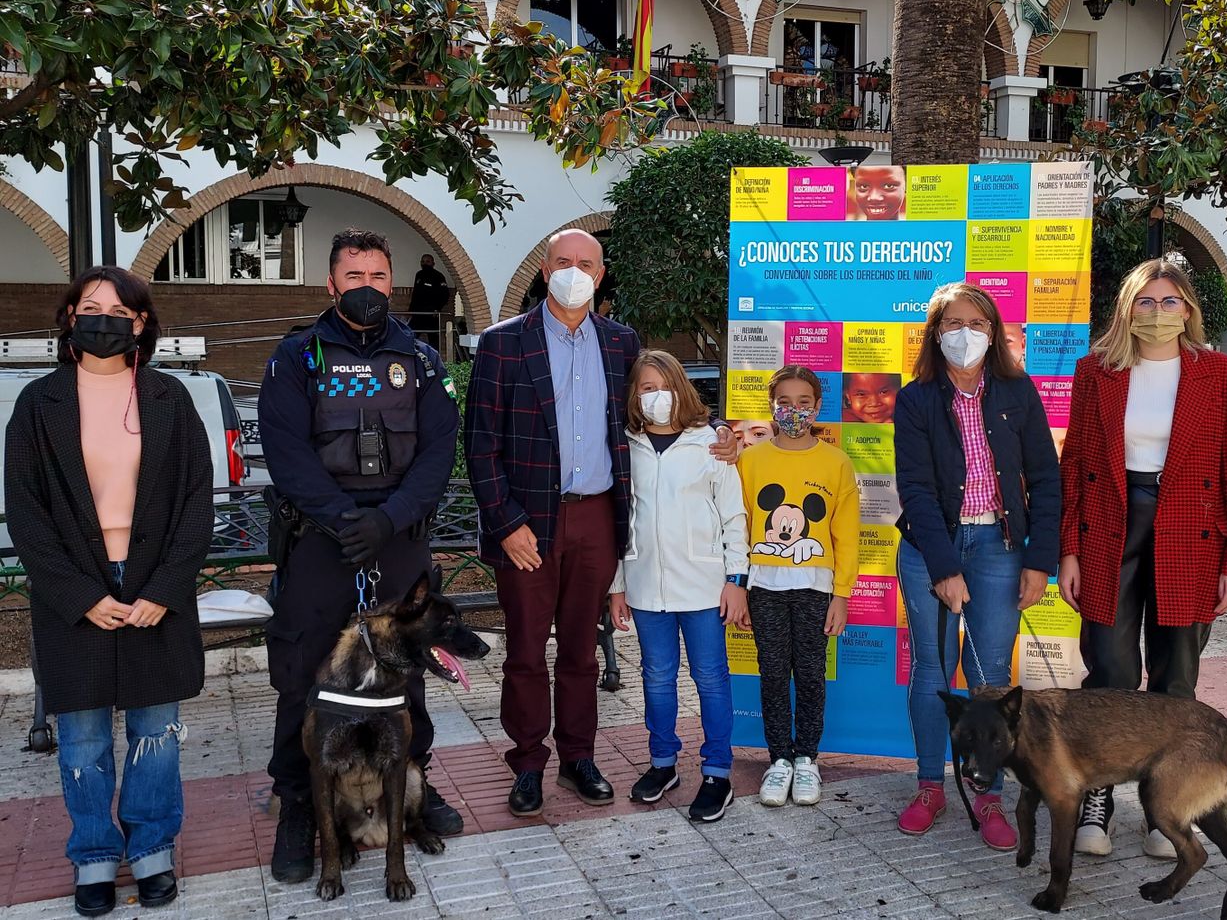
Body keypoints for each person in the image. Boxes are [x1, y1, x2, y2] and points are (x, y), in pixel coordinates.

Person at [466, 229, 738, 817]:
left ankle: (578, 757)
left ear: (600, 272)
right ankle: (529, 762)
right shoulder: (503, 344)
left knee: (584, 650)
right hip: (528, 523)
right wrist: (506, 521)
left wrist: (717, 433)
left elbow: (654, 415)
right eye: (562, 262)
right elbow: (481, 442)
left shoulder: (621, 344)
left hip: (598, 518)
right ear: (544, 271)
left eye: (585, 264)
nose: (573, 272)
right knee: (526, 649)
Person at [4, 267, 212, 917]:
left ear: (142, 324)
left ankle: (152, 852)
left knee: (157, 733)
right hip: (77, 591)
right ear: (68, 318)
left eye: (119, 310)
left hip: (153, 585)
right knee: (84, 739)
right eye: (89, 307)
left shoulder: (170, 399)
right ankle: (94, 855)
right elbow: (27, 513)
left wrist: (167, 588)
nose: (104, 319)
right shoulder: (39, 404)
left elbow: (195, 502)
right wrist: (78, 595)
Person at [258, 229, 462, 884]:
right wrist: (344, 518)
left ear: (391, 283)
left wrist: (388, 519)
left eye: (379, 276)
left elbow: (438, 452)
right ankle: (296, 801)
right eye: (355, 276)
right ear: (331, 284)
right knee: (304, 672)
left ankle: (414, 784)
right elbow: (285, 450)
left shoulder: (423, 360)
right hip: (322, 543)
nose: (368, 287)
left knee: (407, 669)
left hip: (396, 543)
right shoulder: (297, 358)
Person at [1057, 260, 1227, 860]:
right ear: (1126, 310)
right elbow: (1075, 466)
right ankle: (1096, 797)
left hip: (1191, 534)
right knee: (1110, 675)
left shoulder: (1220, 375)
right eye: (1144, 302)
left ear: (1190, 309)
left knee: (1176, 678)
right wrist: (1067, 548)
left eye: (1170, 302)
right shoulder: (1096, 371)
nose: (1157, 313)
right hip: (1109, 530)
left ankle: (1165, 807)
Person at [892, 282, 1062, 851]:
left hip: (999, 546)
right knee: (933, 671)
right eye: (951, 324)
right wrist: (942, 567)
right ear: (935, 333)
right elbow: (914, 489)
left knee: (989, 680)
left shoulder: (1018, 391)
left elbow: (1045, 478)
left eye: (977, 323)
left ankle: (986, 791)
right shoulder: (916, 399)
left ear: (993, 332)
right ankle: (927, 785)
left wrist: (1040, 560)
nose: (964, 335)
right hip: (928, 549)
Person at [607, 351, 749, 824]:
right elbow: (621, 523)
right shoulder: (626, 447)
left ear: (681, 389)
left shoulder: (710, 443)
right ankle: (662, 762)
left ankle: (717, 771)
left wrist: (735, 580)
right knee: (656, 677)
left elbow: (733, 515)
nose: (655, 396)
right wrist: (618, 585)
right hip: (647, 587)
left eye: (663, 385)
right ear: (634, 397)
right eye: (645, 388)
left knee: (710, 677)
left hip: (706, 589)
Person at [737, 366, 860, 809]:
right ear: (771, 405)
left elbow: (846, 535)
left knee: (809, 675)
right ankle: (780, 760)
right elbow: (740, 528)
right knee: (772, 674)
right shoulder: (750, 461)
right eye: (784, 402)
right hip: (763, 588)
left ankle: (807, 758)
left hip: (815, 589)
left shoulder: (836, 463)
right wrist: (737, 586)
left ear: (817, 407)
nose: (793, 411)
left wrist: (841, 594)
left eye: (803, 403)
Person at [408, 253, 451, 349]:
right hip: (418, 313)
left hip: (431, 313)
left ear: (433, 263)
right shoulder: (419, 275)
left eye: (427, 261)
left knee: (434, 340)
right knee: (409, 336)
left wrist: (437, 308)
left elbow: (445, 295)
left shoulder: (438, 276)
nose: (425, 263)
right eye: (423, 262)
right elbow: (415, 294)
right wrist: (411, 310)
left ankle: (435, 361)